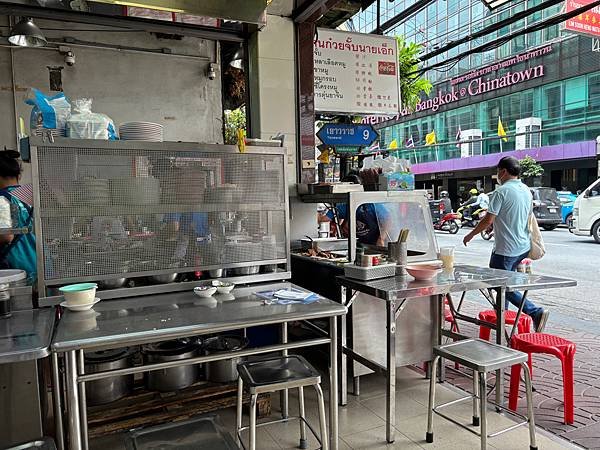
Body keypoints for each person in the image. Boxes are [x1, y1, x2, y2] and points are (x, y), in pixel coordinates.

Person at [463, 156, 549, 332]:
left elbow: (487, 219)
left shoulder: (500, 192)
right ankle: (502, 316)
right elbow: (517, 216)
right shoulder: (526, 190)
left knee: (498, 283)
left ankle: (534, 311)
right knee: (505, 281)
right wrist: (496, 228)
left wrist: (470, 235)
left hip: (506, 250)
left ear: (503, 171)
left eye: (497, 172)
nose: (497, 175)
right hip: (523, 247)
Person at [324, 172, 392, 246]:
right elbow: (326, 218)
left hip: (378, 243)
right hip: (361, 244)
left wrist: (381, 238)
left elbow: (387, 219)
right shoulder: (345, 206)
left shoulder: (372, 204)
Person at [0, 151, 36, 278]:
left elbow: (6, 236)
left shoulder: (2, 198)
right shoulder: (31, 196)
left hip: (16, 268)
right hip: (39, 263)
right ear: (18, 175)